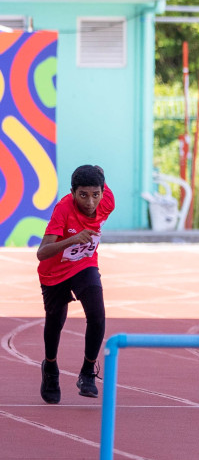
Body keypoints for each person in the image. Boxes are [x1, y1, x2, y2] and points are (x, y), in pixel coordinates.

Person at [35, 165, 115, 403]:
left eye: (95, 195)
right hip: (54, 272)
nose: (90, 202)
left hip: (84, 264)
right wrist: (71, 240)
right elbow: (42, 253)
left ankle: (88, 372)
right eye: (83, 195)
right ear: (72, 192)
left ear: (102, 191)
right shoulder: (63, 209)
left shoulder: (106, 201)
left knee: (98, 315)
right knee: (55, 322)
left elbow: (101, 174)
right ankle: (50, 368)